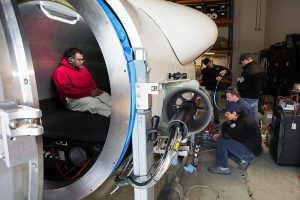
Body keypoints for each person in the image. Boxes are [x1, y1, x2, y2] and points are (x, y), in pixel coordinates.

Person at [52, 48, 111, 117]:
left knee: (105, 96)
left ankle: (123, 110)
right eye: (79, 60)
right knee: (95, 102)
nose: (82, 62)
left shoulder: (83, 68)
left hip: (87, 94)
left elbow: (91, 83)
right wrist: (90, 93)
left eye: (82, 59)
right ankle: (114, 115)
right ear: (71, 60)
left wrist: (96, 90)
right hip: (72, 99)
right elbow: (69, 92)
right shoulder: (60, 72)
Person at [208, 102, 263, 175]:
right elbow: (233, 134)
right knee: (221, 146)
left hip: (250, 153)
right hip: (253, 150)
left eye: (227, 113)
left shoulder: (242, 122)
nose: (225, 115)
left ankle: (223, 168)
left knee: (221, 140)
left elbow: (226, 136)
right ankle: (243, 162)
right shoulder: (242, 116)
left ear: (234, 113)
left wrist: (224, 124)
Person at [201, 58, 231, 128]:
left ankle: (216, 121)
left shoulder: (219, 68)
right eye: (208, 65)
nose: (210, 66)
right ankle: (207, 122)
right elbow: (204, 82)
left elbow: (229, 72)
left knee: (216, 107)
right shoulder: (204, 71)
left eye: (210, 64)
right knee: (208, 106)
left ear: (211, 62)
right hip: (209, 90)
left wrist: (225, 71)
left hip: (217, 90)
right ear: (206, 65)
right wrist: (215, 79)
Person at [237, 53, 265, 124]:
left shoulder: (247, 70)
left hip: (247, 96)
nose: (242, 64)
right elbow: (264, 83)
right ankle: (255, 130)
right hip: (256, 96)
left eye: (242, 62)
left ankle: (247, 131)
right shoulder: (261, 68)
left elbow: (242, 86)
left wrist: (239, 81)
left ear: (245, 60)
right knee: (254, 113)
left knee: (246, 115)